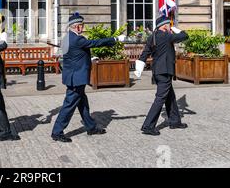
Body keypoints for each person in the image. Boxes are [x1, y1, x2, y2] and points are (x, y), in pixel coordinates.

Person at [51, 12, 126, 143]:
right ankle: (57, 132)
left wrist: (88, 58)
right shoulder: (78, 39)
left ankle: (91, 127)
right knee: (69, 105)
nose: (82, 27)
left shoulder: (67, 38)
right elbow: (95, 43)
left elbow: (74, 55)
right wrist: (115, 39)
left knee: (83, 104)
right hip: (76, 78)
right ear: (75, 27)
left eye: (82, 25)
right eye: (80, 25)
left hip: (73, 75)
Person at [135, 15, 189, 136]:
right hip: (165, 71)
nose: (170, 26)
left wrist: (139, 68)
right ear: (164, 26)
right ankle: (148, 126)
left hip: (158, 72)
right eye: (169, 24)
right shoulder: (166, 36)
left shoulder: (152, 37)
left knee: (170, 96)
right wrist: (175, 29)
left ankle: (174, 121)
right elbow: (185, 36)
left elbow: (144, 54)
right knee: (160, 99)